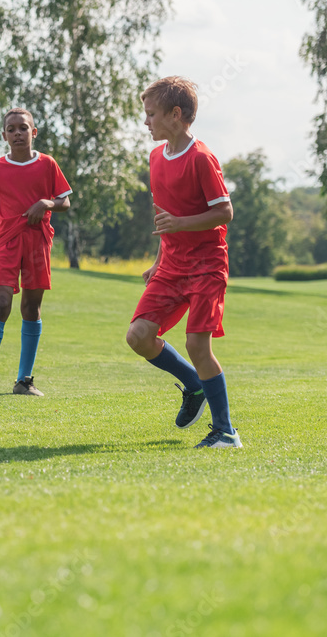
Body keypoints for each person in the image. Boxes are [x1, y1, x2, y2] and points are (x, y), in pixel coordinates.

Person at [125, 76, 242, 448]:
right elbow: (165, 217)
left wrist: (182, 224)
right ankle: (194, 385)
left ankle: (226, 432)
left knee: (197, 345)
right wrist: (159, 260)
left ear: (176, 115)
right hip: (171, 266)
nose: (146, 122)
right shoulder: (156, 156)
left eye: (151, 114)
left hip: (207, 265)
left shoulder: (202, 158)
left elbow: (225, 211)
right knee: (138, 337)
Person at [0, 108, 72, 399]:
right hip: (5, 243)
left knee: (31, 308)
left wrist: (46, 203)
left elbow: (64, 201)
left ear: (34, 132)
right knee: (1, 303)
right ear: (4, 135)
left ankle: (23, 381)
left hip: (38, 243)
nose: (17, 133)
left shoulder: (47, 164)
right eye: (11, 129)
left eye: (23, 128)